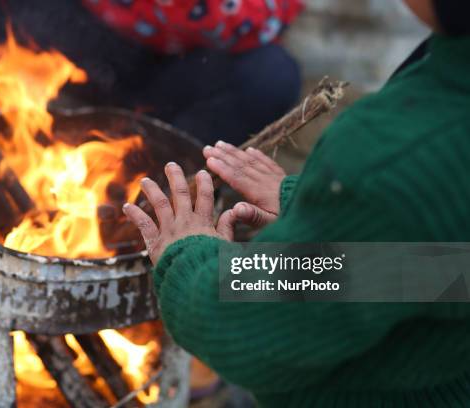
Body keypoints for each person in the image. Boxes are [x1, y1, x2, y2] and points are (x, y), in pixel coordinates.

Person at [123, 0, 470, 405]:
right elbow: (435, 267)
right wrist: (319, 210)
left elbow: (247, 329)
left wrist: (188, 254)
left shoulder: (392, 159)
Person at [0, 0, 303, 145]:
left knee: (270, 75)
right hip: (86, 41)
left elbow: (273, 12)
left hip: (183, 66)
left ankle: (152, 168)